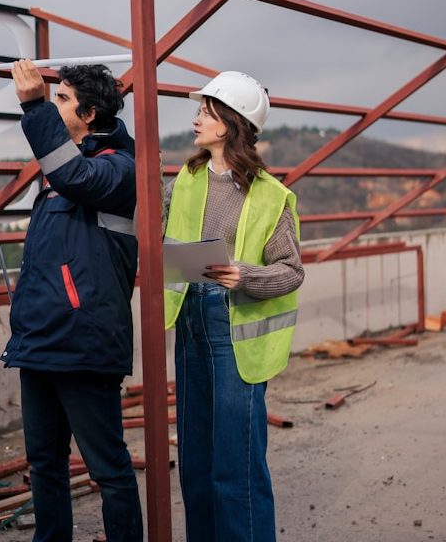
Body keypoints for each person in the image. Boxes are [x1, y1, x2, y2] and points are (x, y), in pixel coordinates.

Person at [1, 59, 142, 542]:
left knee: (108, 468)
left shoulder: (121, 168)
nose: (53, 102)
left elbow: (76, 177)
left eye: (62, 98)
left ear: (91, 114)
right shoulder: (60, 173)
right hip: (41, 341)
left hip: (85, 343)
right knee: (44, 463)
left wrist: (34, 107)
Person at [163, 70, 305, 542]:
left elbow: (291, 271)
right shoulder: (186, 180)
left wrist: (246, 275)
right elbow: (158, 234)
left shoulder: (270, 196)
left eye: (206, 111)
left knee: (236, 466)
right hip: (189, 322)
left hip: (232, 330)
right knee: (196, 464)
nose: (196, 118)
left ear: (230, 123)